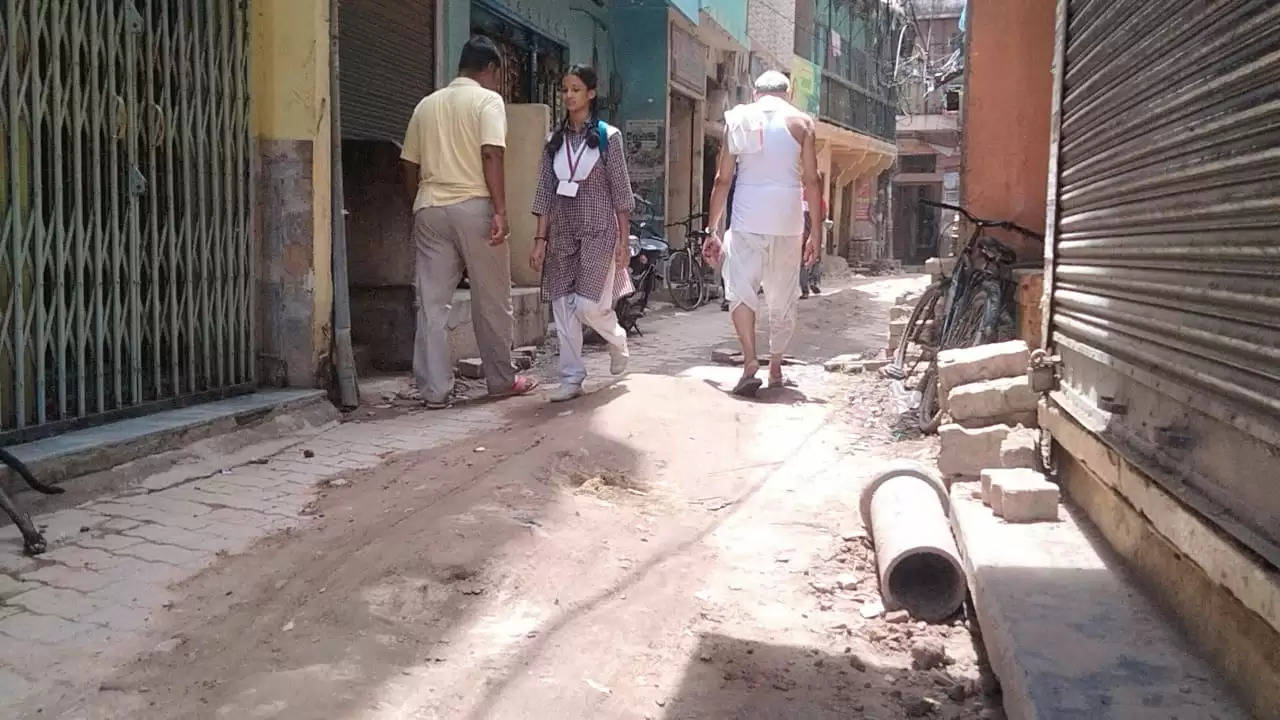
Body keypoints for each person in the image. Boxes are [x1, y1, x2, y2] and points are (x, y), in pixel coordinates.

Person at [401, 35, 539, 409]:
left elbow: (409, 164)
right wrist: (500, 210)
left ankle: (435, 391)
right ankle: (500, 381)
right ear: (491, 69)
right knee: (492, 299)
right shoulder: (487, 101)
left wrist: (417, 202)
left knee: (431, 305)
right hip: (474, 206)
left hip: (429, 207)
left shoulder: (426, 105)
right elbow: (491, 153)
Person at [704, 70, 822, 396]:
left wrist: (712, 229)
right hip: (788, 220)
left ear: (755, 93)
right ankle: (776, 365)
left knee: (741, 289)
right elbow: (812, 181)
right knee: (782, 296)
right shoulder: (802, 123)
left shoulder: (739, 118)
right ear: (788, 94)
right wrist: (817, 236)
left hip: (747, 218)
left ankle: (750, 362)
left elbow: (722, 180)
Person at [529, 65, 634, 402]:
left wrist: (623, 240)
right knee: (562, 305)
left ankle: (617, 340)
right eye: (565, 90)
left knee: (588, 305)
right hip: (562, 232)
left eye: (576, 89)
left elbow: (620, 192)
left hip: (599, 231)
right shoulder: (553, 142)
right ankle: (572, 377)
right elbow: (545, 192)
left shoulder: (608, 137)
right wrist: (539, 240)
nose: (569, 96)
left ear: (591, 94)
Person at [800, 190, 827, 298]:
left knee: (803, 260)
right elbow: (823, 215)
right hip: (813, 230)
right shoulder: (818, 198)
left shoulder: (798, 195)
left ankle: (804, 290)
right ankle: (813, 282)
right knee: (815, 256)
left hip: (800, 231)